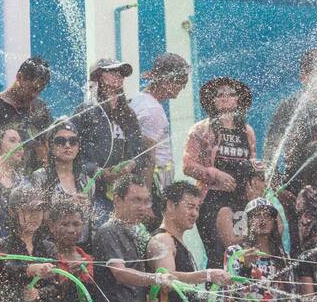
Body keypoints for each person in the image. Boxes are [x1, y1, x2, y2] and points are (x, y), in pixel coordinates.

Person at [184, 76, 261, 267]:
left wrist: (256, 187)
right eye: (220, 95)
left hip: (241, 201)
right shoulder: (201, 129)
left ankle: (240, 294)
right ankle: (216, 294)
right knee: (219, 253)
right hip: (211, 200)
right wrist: (214, 174)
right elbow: (187, 165)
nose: (225, 98)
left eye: (231, 94)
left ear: (238, 100)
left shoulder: (247, 131)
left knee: (241, 251)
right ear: (213, 100)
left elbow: (252, 164)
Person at [71, 59, 152, 226]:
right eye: (112, 71)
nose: (119, 76)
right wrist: (97, 171)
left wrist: (131, 165)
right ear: (99, 76)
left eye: (122, 73)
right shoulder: (85, 111)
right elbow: (72, 153)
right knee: (102, 229)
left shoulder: (128, 114)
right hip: (92, 190)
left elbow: (141, 155)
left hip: (123, 192)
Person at [265, 49, 317, 190]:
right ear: (303, 77)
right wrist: (275, 181)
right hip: (297, 180)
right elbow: (272, 146)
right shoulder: (289, 106)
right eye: (313, 72)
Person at [128, 52, 191, 199]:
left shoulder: (140, 100)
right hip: (154, 183)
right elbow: (148, 157)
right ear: (166, 81)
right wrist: (146, 198)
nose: (183, 86)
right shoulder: (153, 110)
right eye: (181, 81)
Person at [29, 121, 97, 231]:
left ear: (78, 146)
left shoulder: (87, 182)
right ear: (50, 145)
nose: (67, 145)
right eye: (60, 141)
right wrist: (66, 205)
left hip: (82, 245)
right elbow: (35, 217)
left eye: (73, 141)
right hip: (50, 243)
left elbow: (91, 222)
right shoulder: (40, 177)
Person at [0, 57, 53, 169]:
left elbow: (47, 143)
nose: (35, 95)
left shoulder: (40, 108)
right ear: (19, 77)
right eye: (33, 89)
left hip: (34, 178)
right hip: (5, 177)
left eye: (40, 90)